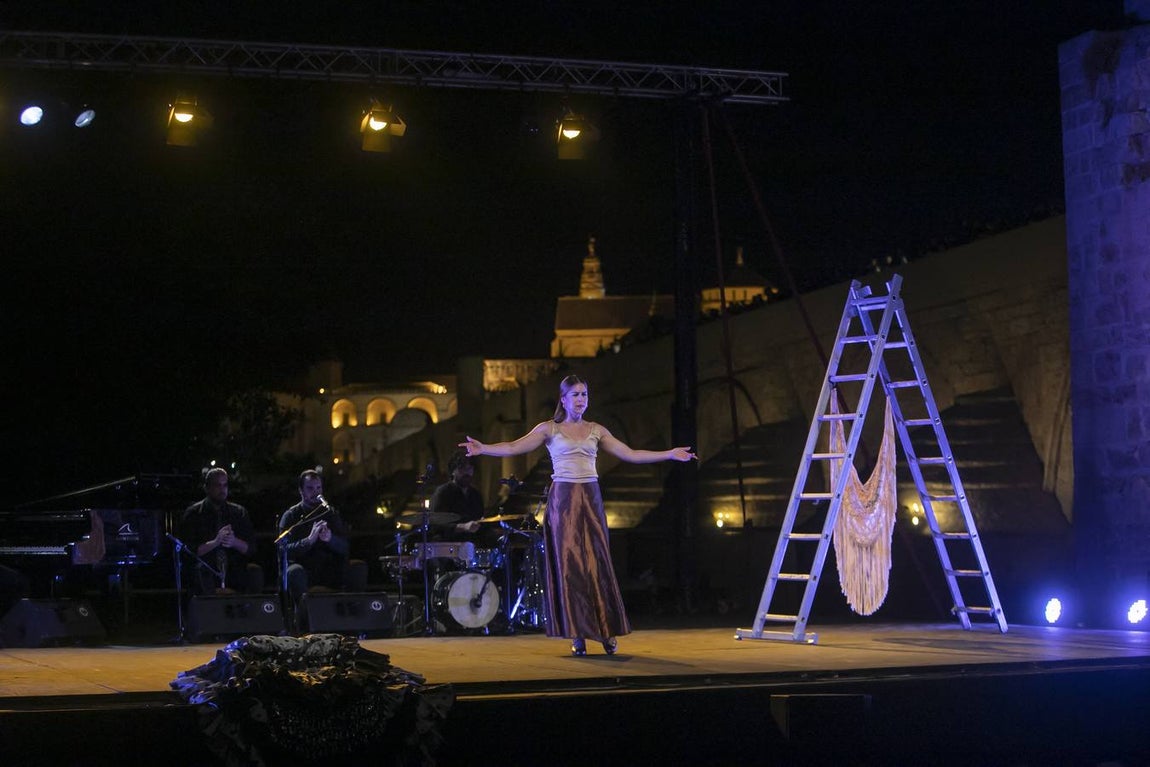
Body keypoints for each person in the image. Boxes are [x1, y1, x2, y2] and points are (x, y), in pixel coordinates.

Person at [459, 374, 696, 656]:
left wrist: (669, 454)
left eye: (584, 394)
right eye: (576, 395)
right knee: (570, 566)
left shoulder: (597, 429)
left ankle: (605, 631)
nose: (581, 399)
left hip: (591, 498)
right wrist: (483, 448)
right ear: (563, 399)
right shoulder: (549, 429)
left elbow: (630, 453)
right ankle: (578, 633)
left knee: (597, 564)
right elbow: (513, 446)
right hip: (563, 501)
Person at [277, 470, 367, 626]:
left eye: (319, 488)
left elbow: (345, 546)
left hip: (329, 569)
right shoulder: (291, 516)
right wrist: (308, 540)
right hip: (304, 569)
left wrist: (330, 539)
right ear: (301, 491)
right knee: (294, 573)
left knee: (357, 568)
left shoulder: (330, 513)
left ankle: (354, 622)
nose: (316, 492)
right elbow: (283, 549)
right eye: (310, 488)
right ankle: (304, 625)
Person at [179, 467, 263, 595]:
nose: (222, 489)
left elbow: (251, 548)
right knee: (200, 571)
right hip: (207, 567)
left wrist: (234, 542)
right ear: (206, 488)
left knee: (254, 571)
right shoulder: (193, 513)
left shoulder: (239, 512)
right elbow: (188, 552)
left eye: (225, 485)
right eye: (217, 485)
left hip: (233, 568)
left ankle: (250, 613)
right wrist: (215, 542)